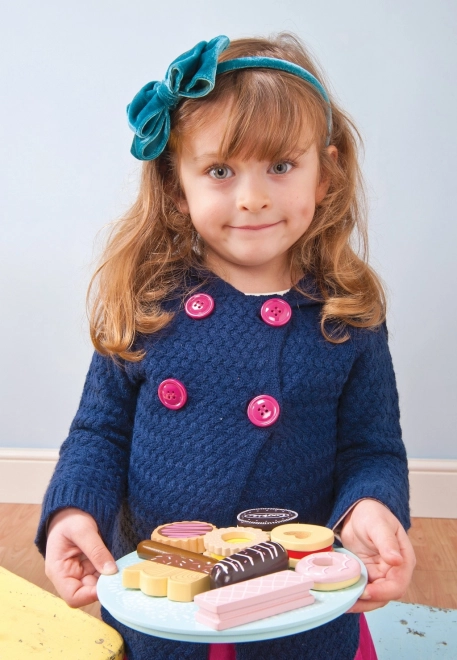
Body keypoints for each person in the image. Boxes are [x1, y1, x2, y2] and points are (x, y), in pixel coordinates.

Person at [36, 33, 416, 660]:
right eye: (219, 171)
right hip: (164, 599)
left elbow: (371, 447)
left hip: (295, 606)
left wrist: (371, 507)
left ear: (327, 172)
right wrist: (74, 512)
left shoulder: (347, 316)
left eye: (281, 166)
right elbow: (97, 433)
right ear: (177, 186)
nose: (253, 196)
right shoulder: (147, 300)